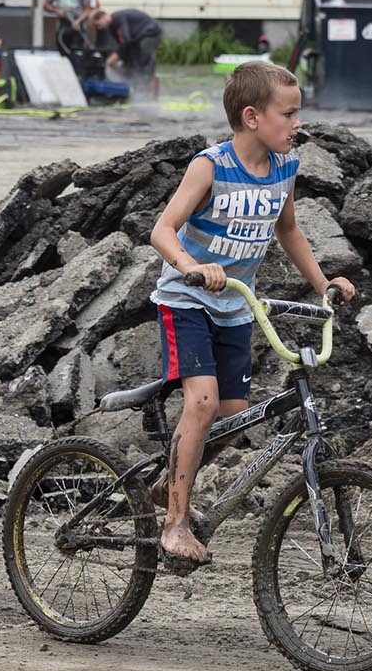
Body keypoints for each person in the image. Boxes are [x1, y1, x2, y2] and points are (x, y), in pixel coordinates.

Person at [146, 60, 356, 565]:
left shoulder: (286, 167)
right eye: (288, 114)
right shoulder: (211, 166)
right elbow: (162, 230)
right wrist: (192, 266)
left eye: (297, 113)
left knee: (234, 419)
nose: (297, 124)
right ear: (252, 116)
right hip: (188, 300)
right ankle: (174, 524)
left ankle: (166, 483)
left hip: (237, 307)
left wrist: (323, 282)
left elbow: (289, 231)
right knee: (201, 404)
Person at [91, 7, 163, 98]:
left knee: (145, 59)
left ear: (104, 17)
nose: (99, 28)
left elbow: (125, 40)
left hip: (150, 32)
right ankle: (133, 87)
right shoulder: (111, 27)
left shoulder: (118, 18)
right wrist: (122, 59)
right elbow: (122, 44)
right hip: (136, 38)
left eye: (98, 25)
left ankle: (146, 89)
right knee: (130, 62)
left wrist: (117, 56)